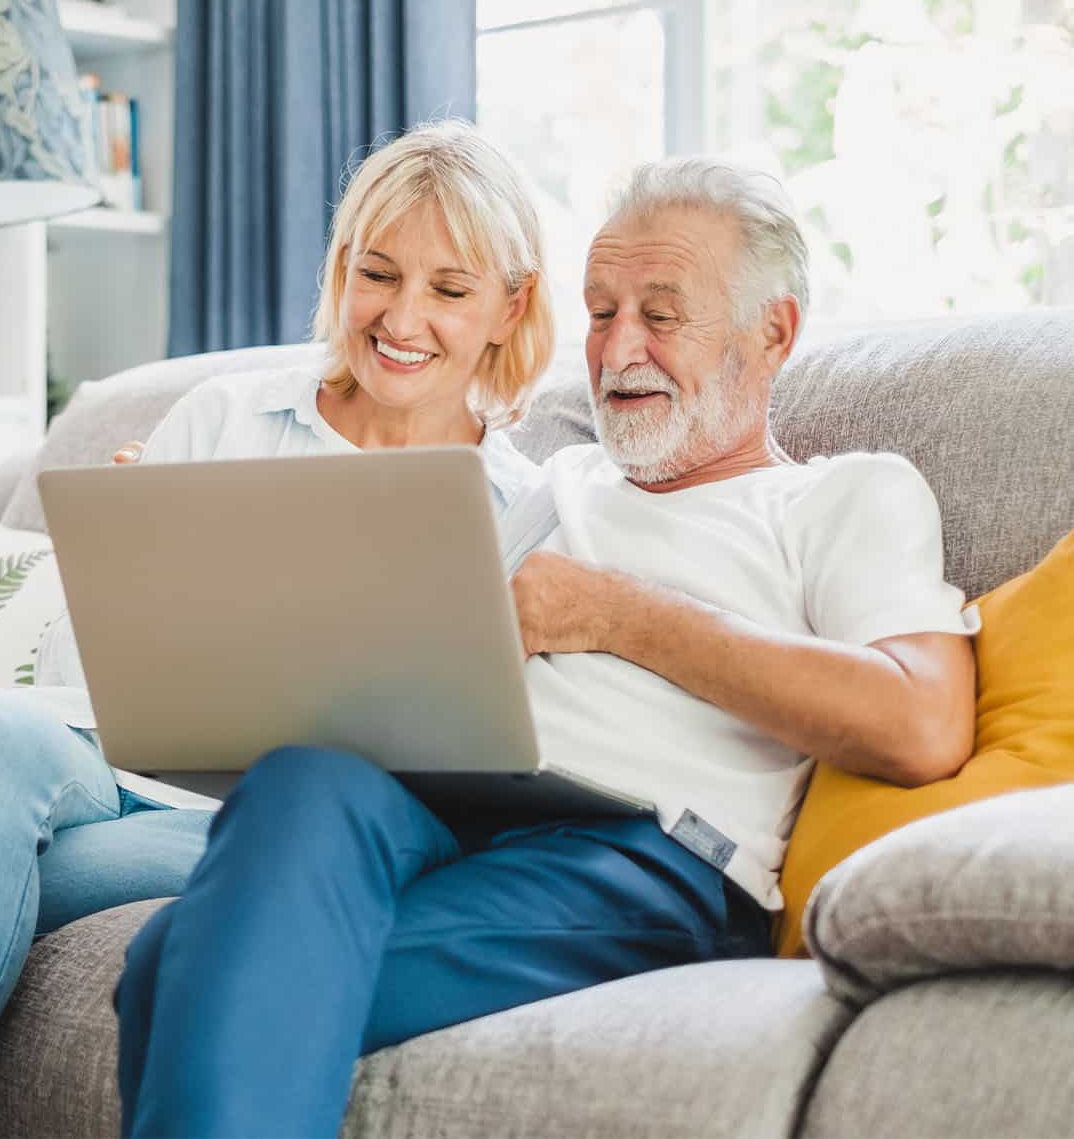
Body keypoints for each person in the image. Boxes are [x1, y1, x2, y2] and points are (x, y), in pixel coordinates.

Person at [111, 158, 981, 1138]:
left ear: (771, 332)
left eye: (660, 315)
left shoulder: (839, 496)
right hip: (449, 805)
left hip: (642, 853)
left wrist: (612, 613)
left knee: (172, 968)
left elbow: (920, 722)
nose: (617, 350)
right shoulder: (546, 484)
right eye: (601, 312)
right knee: (304, 777)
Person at [0, 119, 557, 1139]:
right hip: (135, 769)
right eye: (377, 273)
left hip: (281, 827)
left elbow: (482, 746)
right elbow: (83, 681)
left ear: (510, 308)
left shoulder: (517, 506)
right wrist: (126, 574)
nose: (402, 316)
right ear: (342, 269)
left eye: (449, 290)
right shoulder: (226, 417)